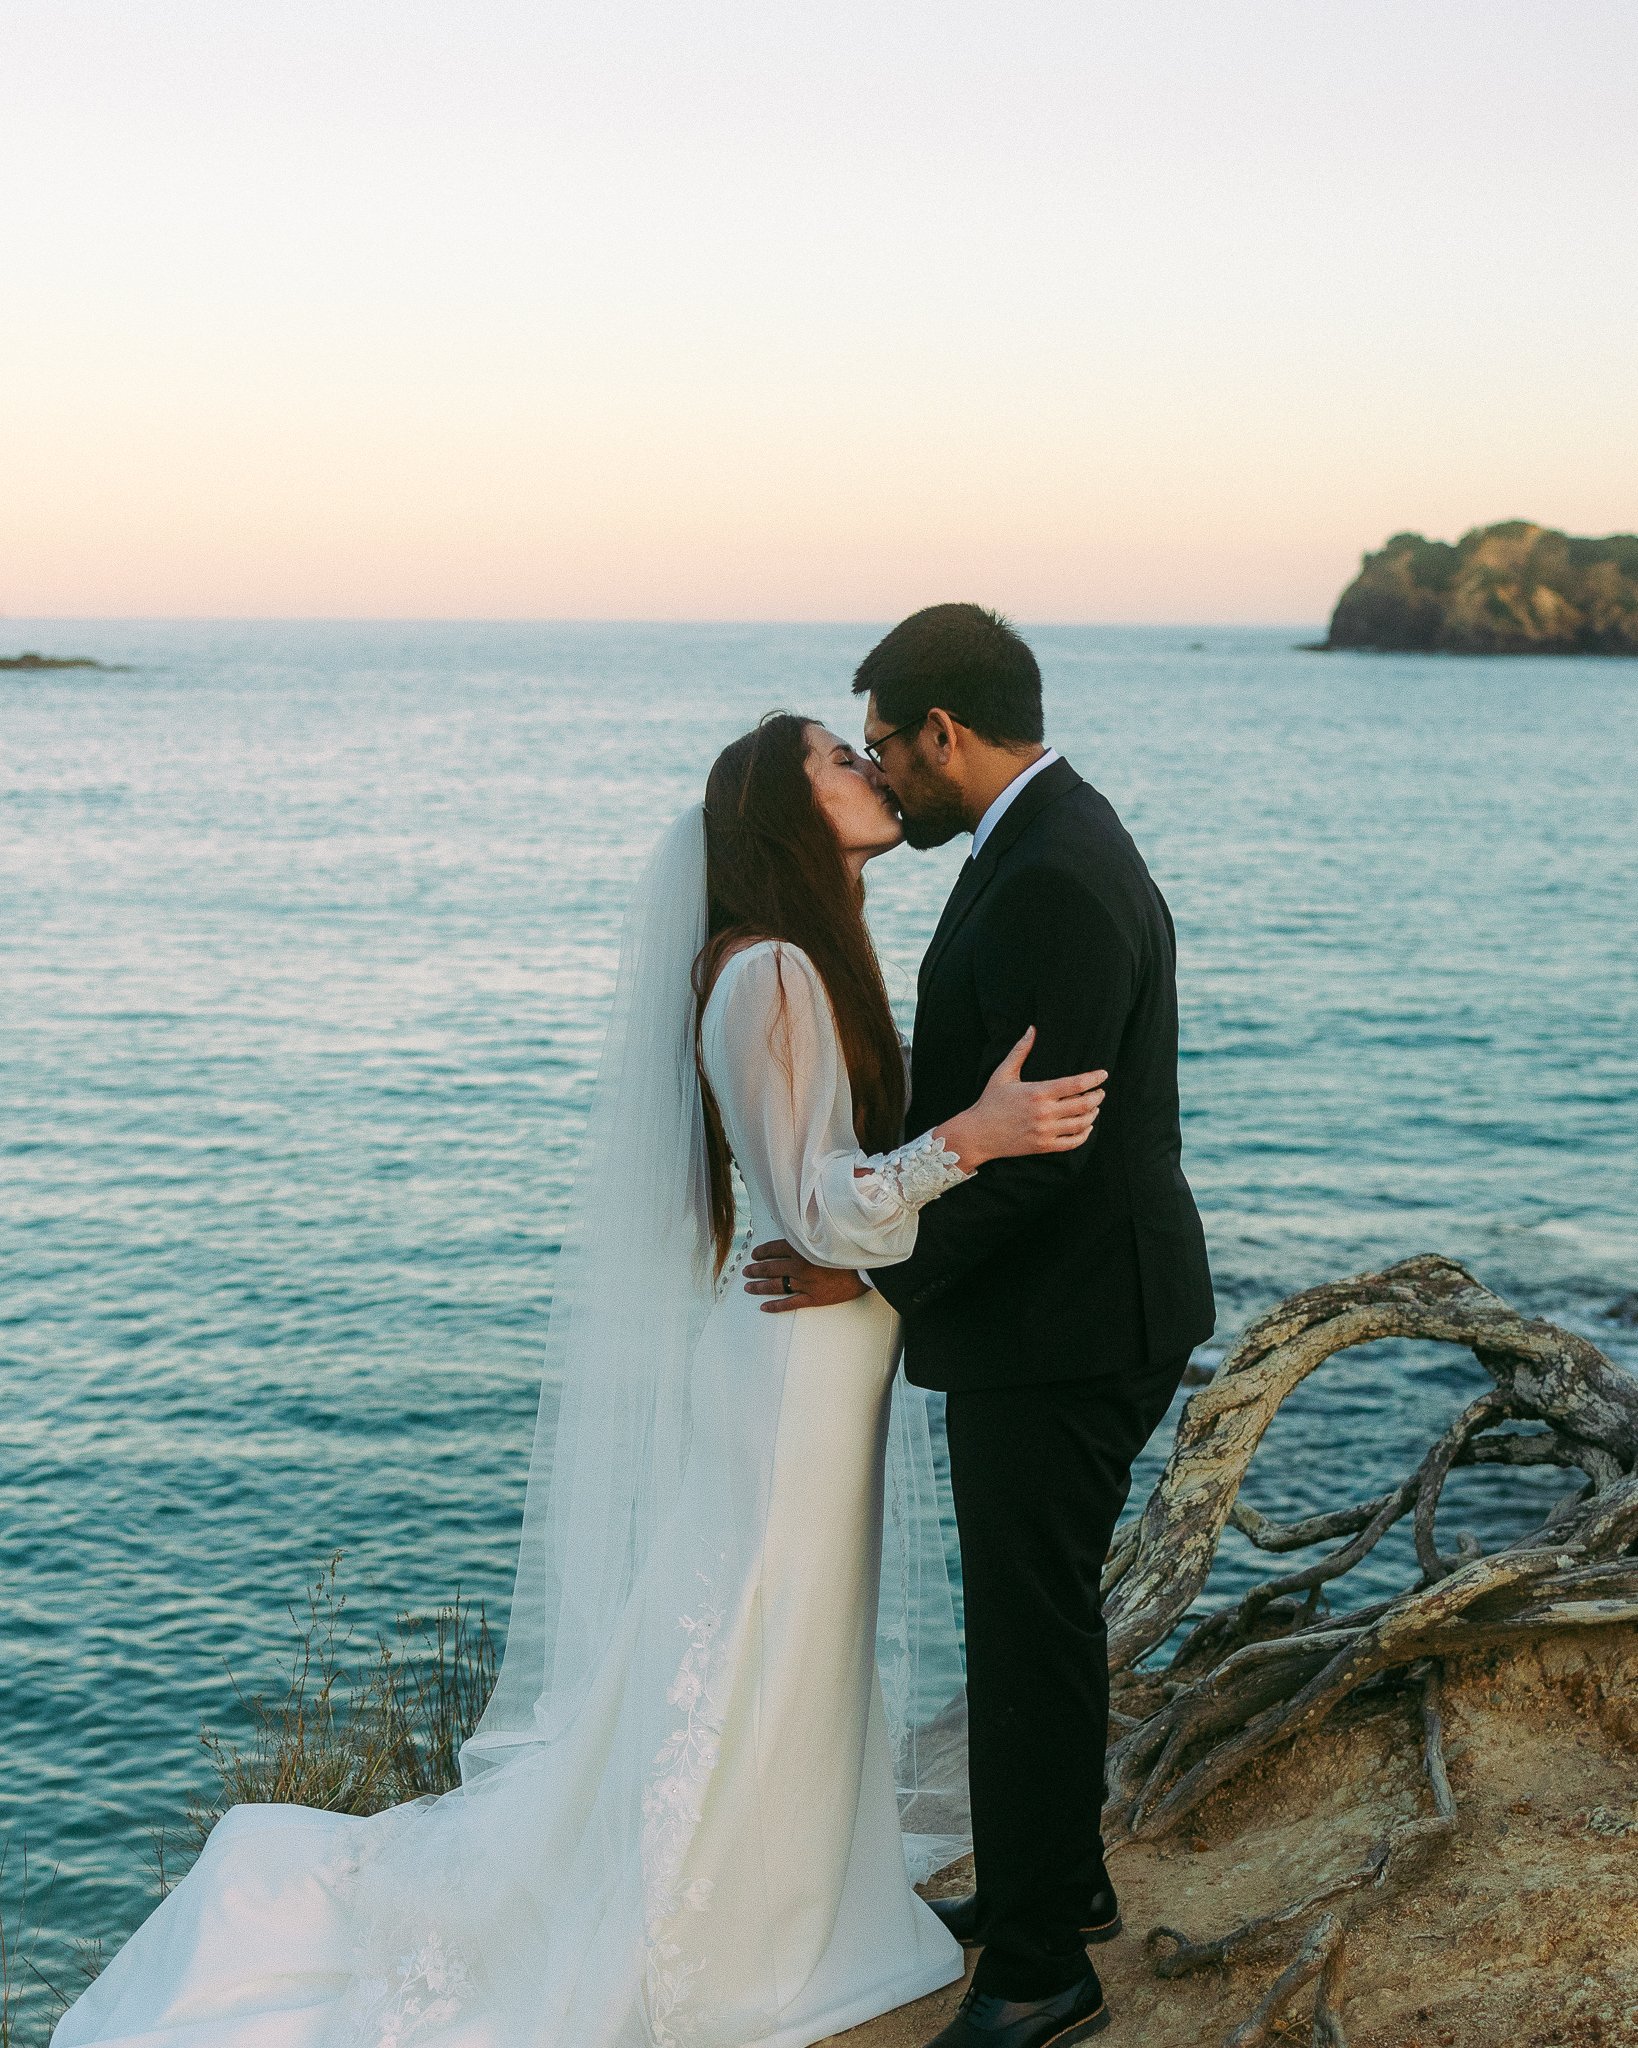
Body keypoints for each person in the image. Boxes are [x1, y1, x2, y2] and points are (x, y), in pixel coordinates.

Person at [52, 710, 1105, 2048]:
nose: (868, 768)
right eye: (836, 759)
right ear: (783, 817)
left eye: (864, 747)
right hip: (789, 1367)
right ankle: (715, 1929)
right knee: (757, 1638)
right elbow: (818, 1208)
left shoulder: (793, 961)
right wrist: (976, 1135)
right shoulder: (768, 972)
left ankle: (778, 1896)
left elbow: (822, 1208)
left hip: (815, 1356)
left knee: (789, 1640)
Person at [745, 608, 1215, 2048]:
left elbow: (1046, 1157)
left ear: (944, 732)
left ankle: (1035, 1970)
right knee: (1042, 1618)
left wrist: (872, 1277)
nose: (884, 776)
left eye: (886, 745)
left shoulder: (1054, 876)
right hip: (1066, 1309)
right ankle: (1053, 1886)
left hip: (1070, 1321)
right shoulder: (1046, 839)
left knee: (1023, 1635)